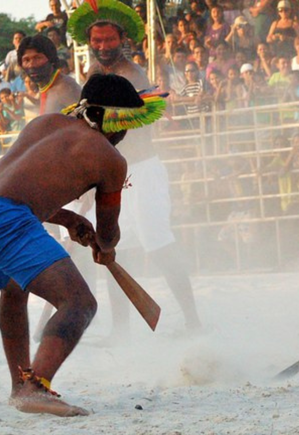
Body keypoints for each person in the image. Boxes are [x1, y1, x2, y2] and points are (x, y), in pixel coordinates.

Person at [0, 73, 167, 417]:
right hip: (4, 219)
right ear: (114, 121)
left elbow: (21, 186)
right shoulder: (109, 157)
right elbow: (108, 233)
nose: (126, 135)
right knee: (79, 302)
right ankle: (37, 386)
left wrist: (66, 218)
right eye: (127, 125)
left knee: (13, 289)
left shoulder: (47, 123)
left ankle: (21, 386)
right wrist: (106, 247)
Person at [71, 0, 202, 333]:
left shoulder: (133, 74)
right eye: (97, 41)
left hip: (142, 171)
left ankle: (193, 321)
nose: (102, 46)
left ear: (123, 38)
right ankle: (121, 331)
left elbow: (129, 127)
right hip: (115, 173)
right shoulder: (94, 72)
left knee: (158, 243)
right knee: (114, 249)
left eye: (109, 40)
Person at [17, 35, 81, 115]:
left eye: (38, 58)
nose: (31, 65)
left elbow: (84, 122)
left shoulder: (64, 87)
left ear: (51, 59)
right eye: (26, 60)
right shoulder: (45, 85)